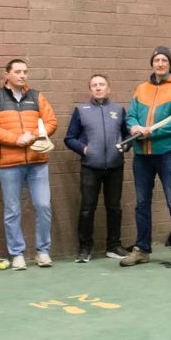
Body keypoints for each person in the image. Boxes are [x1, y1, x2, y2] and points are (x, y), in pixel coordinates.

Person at [121, 46, 171, 270]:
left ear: (170, 64)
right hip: (142, 155)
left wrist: (152, 132)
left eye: (164, 60)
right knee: (142, 204)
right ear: (152, 63)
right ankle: (142, 250)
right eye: (156, 60)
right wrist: (134, 126)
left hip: (167, 154)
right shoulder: (141, 89)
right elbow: (131, 114)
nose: (160, 63)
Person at [0, 58, 57, 270]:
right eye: (18, 72)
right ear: (7, 75)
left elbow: (51, 122)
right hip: (9, 164)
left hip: (38, 162)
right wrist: (16, 139)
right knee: (12, 209)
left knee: (43, 206)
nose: (22, 75)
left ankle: (43, 252)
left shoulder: (37, 96)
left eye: (25, 72)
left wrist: (31, 136)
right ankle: (17, 254)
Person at [64, 74, 127, 263]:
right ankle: (85, 249)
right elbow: (69, 138)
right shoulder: (81, 110)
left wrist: (126, 145)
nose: (98, 88)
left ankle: (114, 246)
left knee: (114, 208)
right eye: (94, 85)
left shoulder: (119, 110)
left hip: (115, 167)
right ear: (90, 89)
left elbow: (127, 136)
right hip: (90, 168)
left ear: (109, 88)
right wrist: (84, 149)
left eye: (102, 84)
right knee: (87, 209)